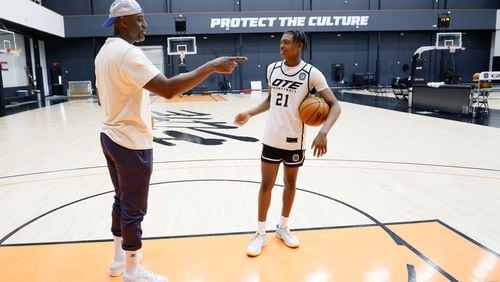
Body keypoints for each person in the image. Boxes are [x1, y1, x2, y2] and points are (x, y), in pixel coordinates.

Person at [95, 0, 247, 281]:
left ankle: (118, 259)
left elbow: (110, 94)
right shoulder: (128, 54)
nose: (145, 24)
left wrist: (140, 112)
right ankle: (131, 269)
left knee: (121, 200)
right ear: (123, 21)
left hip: (111, 134)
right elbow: (167, 89)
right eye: (140, 19)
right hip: (130, 141)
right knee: (134, 208)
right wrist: (211, 66)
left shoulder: (104, 52)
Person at [234, 29, 341, 257]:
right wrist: (249, 113)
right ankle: (260, 233)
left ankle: (282, 228)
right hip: (272, 137)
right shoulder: (272, 69)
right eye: (281, 42)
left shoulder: (312, 73)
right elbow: (270, 100)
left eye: (286, 42)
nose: (281, 46)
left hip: (295, 140)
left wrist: (323, 132)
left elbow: (335, 105)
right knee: (266, 184)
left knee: (290, 184)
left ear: (299, 45)